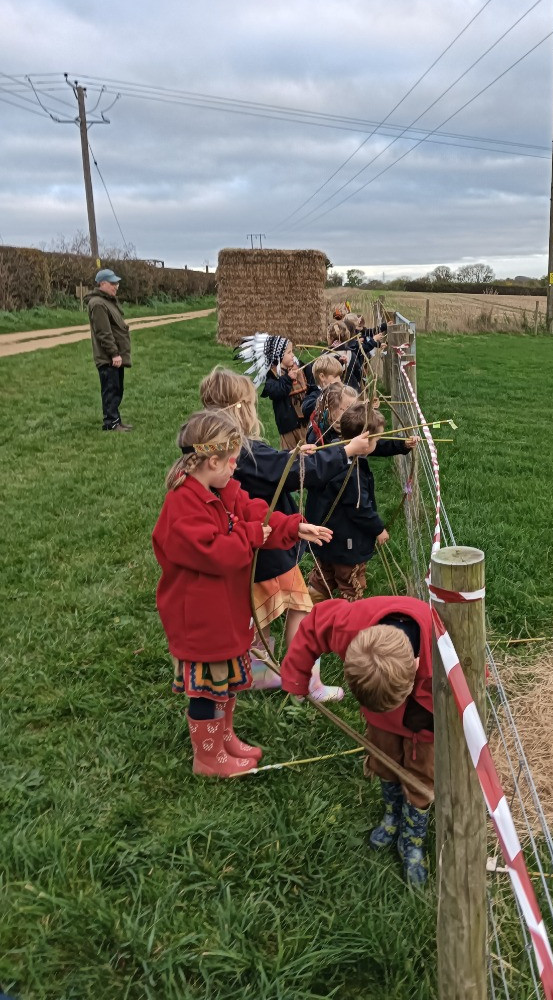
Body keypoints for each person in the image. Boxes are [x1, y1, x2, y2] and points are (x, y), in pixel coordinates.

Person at [152, 408, 332, 777]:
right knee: (206, 690)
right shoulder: (183, 507)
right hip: (200, 620)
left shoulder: (221, 489)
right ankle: (207, 757)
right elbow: (217, 553)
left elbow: (255, 513)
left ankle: (225, 738)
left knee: (226, 681)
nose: (237, 468)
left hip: (224, 611)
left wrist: (293, 527)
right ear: (212, 461)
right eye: (232, 461)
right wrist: (250, 537)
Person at [199, 366, 370, 701]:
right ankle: (305, 681)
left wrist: (292, 454)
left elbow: (278, 466)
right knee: (301, 607)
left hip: (249, 547)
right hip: (269, 548)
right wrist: (347, 451)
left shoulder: (215, 449)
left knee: (258, 612)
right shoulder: (244, 450)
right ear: (241, 410)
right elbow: (292, 473)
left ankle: (259, 672)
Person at [280, 594, 434, 886]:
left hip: (427, 722)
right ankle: (392, 814)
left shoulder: (442, 646)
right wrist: (297, 679)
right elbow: (313, 626)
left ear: (415, 666)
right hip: (381, 720)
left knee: (422, 775)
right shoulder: (351, 626)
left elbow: (472, 681)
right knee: (383, 757)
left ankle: (413, 837)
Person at [304, 402, 392, 603]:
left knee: (323, 576)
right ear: (366, 442)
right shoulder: (353, 473)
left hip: (324, 536)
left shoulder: (331, 455)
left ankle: (310, 610)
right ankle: (348, 621)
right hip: (347, 544)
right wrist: (378, 529)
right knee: (350, 583)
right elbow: (360, 508)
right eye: (377, 440)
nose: (377, 444)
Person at [238, 333, 310, 449]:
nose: (292, 355)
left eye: (292, 352)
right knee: (291, 456)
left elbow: (314, 383)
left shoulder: (301, 367)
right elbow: (277, 391)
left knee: (309, 451)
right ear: (279, 356)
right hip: (288, 428)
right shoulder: (272, 375)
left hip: (306, 422)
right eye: (289, 352)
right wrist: (287, 378)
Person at [85, 268, 132, 432]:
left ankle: (116, 420)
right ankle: (111, 423)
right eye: (112, 283)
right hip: (108, 358)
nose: (116, 286)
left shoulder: (108, 301)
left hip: (115, 357)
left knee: (117, 389)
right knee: (110, 390)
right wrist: (114, 354)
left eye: (117, 283)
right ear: (102, 284)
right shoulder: (97, 304)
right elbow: (104, 333)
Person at [300, 353, 344, 424]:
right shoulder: (315, 394)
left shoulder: (340, 390)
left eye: (339, 378)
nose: (339, 382)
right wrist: (325, 397)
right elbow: (305, 408)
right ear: (322, 377)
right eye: (335, 378)